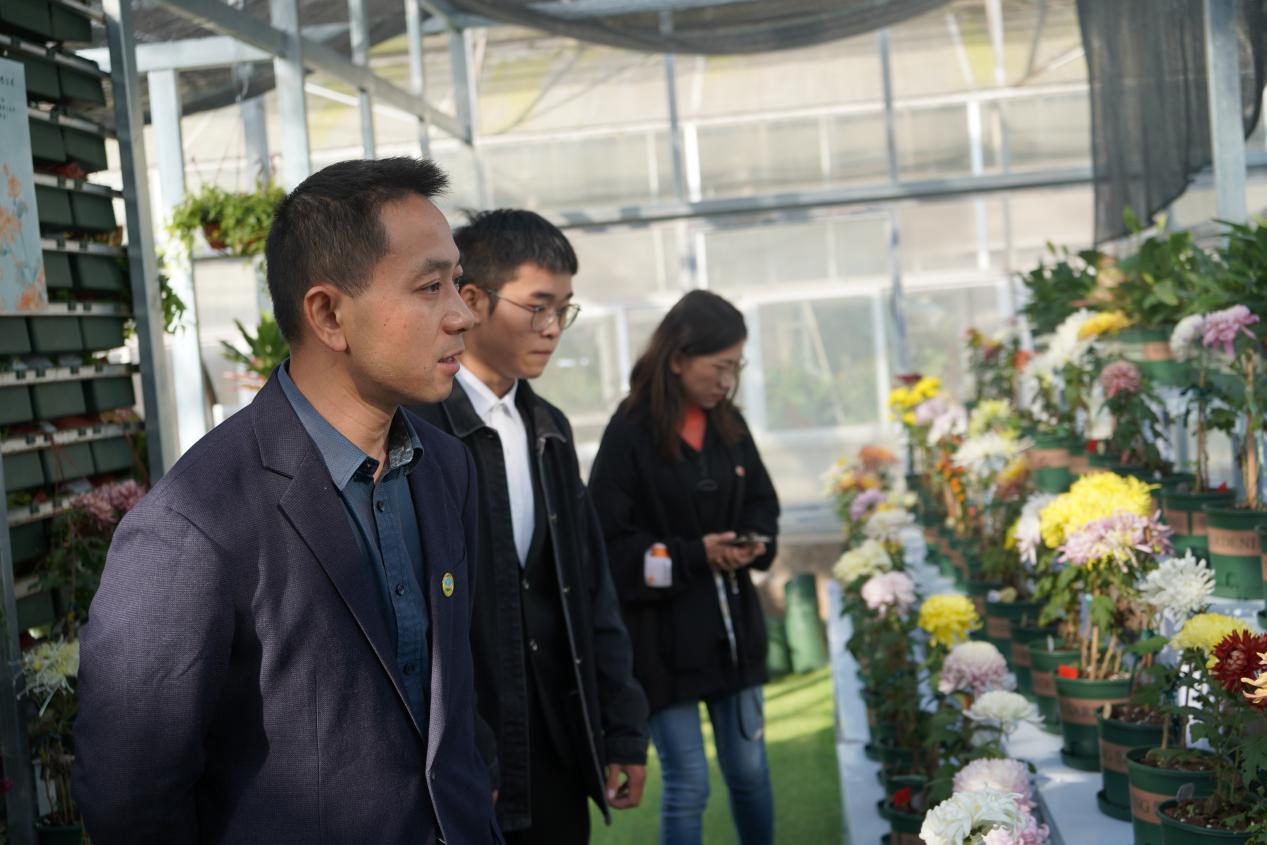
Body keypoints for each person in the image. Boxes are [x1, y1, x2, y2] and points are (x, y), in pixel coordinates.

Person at [73, 158, 503, 845]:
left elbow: (454, 694)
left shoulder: (445, 466)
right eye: (430, 287)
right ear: (328, 314)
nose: (461, 314)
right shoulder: (195, 523)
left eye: (456, 281)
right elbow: (130, 797)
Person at [410, 209, 649, 844]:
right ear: (471, 300)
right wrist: (470, 746)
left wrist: (623, 728)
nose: (552, 329)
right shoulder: (419, 431)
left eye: (563, 311)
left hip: (559, 741)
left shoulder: (550, 429)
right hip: (474, 753)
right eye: (537, 307)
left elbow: (591, 590)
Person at [588, 290, 780, 845]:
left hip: (733, 635)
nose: (727, 381)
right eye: (718, 367)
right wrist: (695, 555)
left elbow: (763, 505)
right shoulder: (629, 431)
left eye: (736, 368)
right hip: (662, 643)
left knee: (749, 771)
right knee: (688, 782)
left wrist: (753, 542)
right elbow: (607, 546)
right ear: (677, 358)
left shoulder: (730, 425)